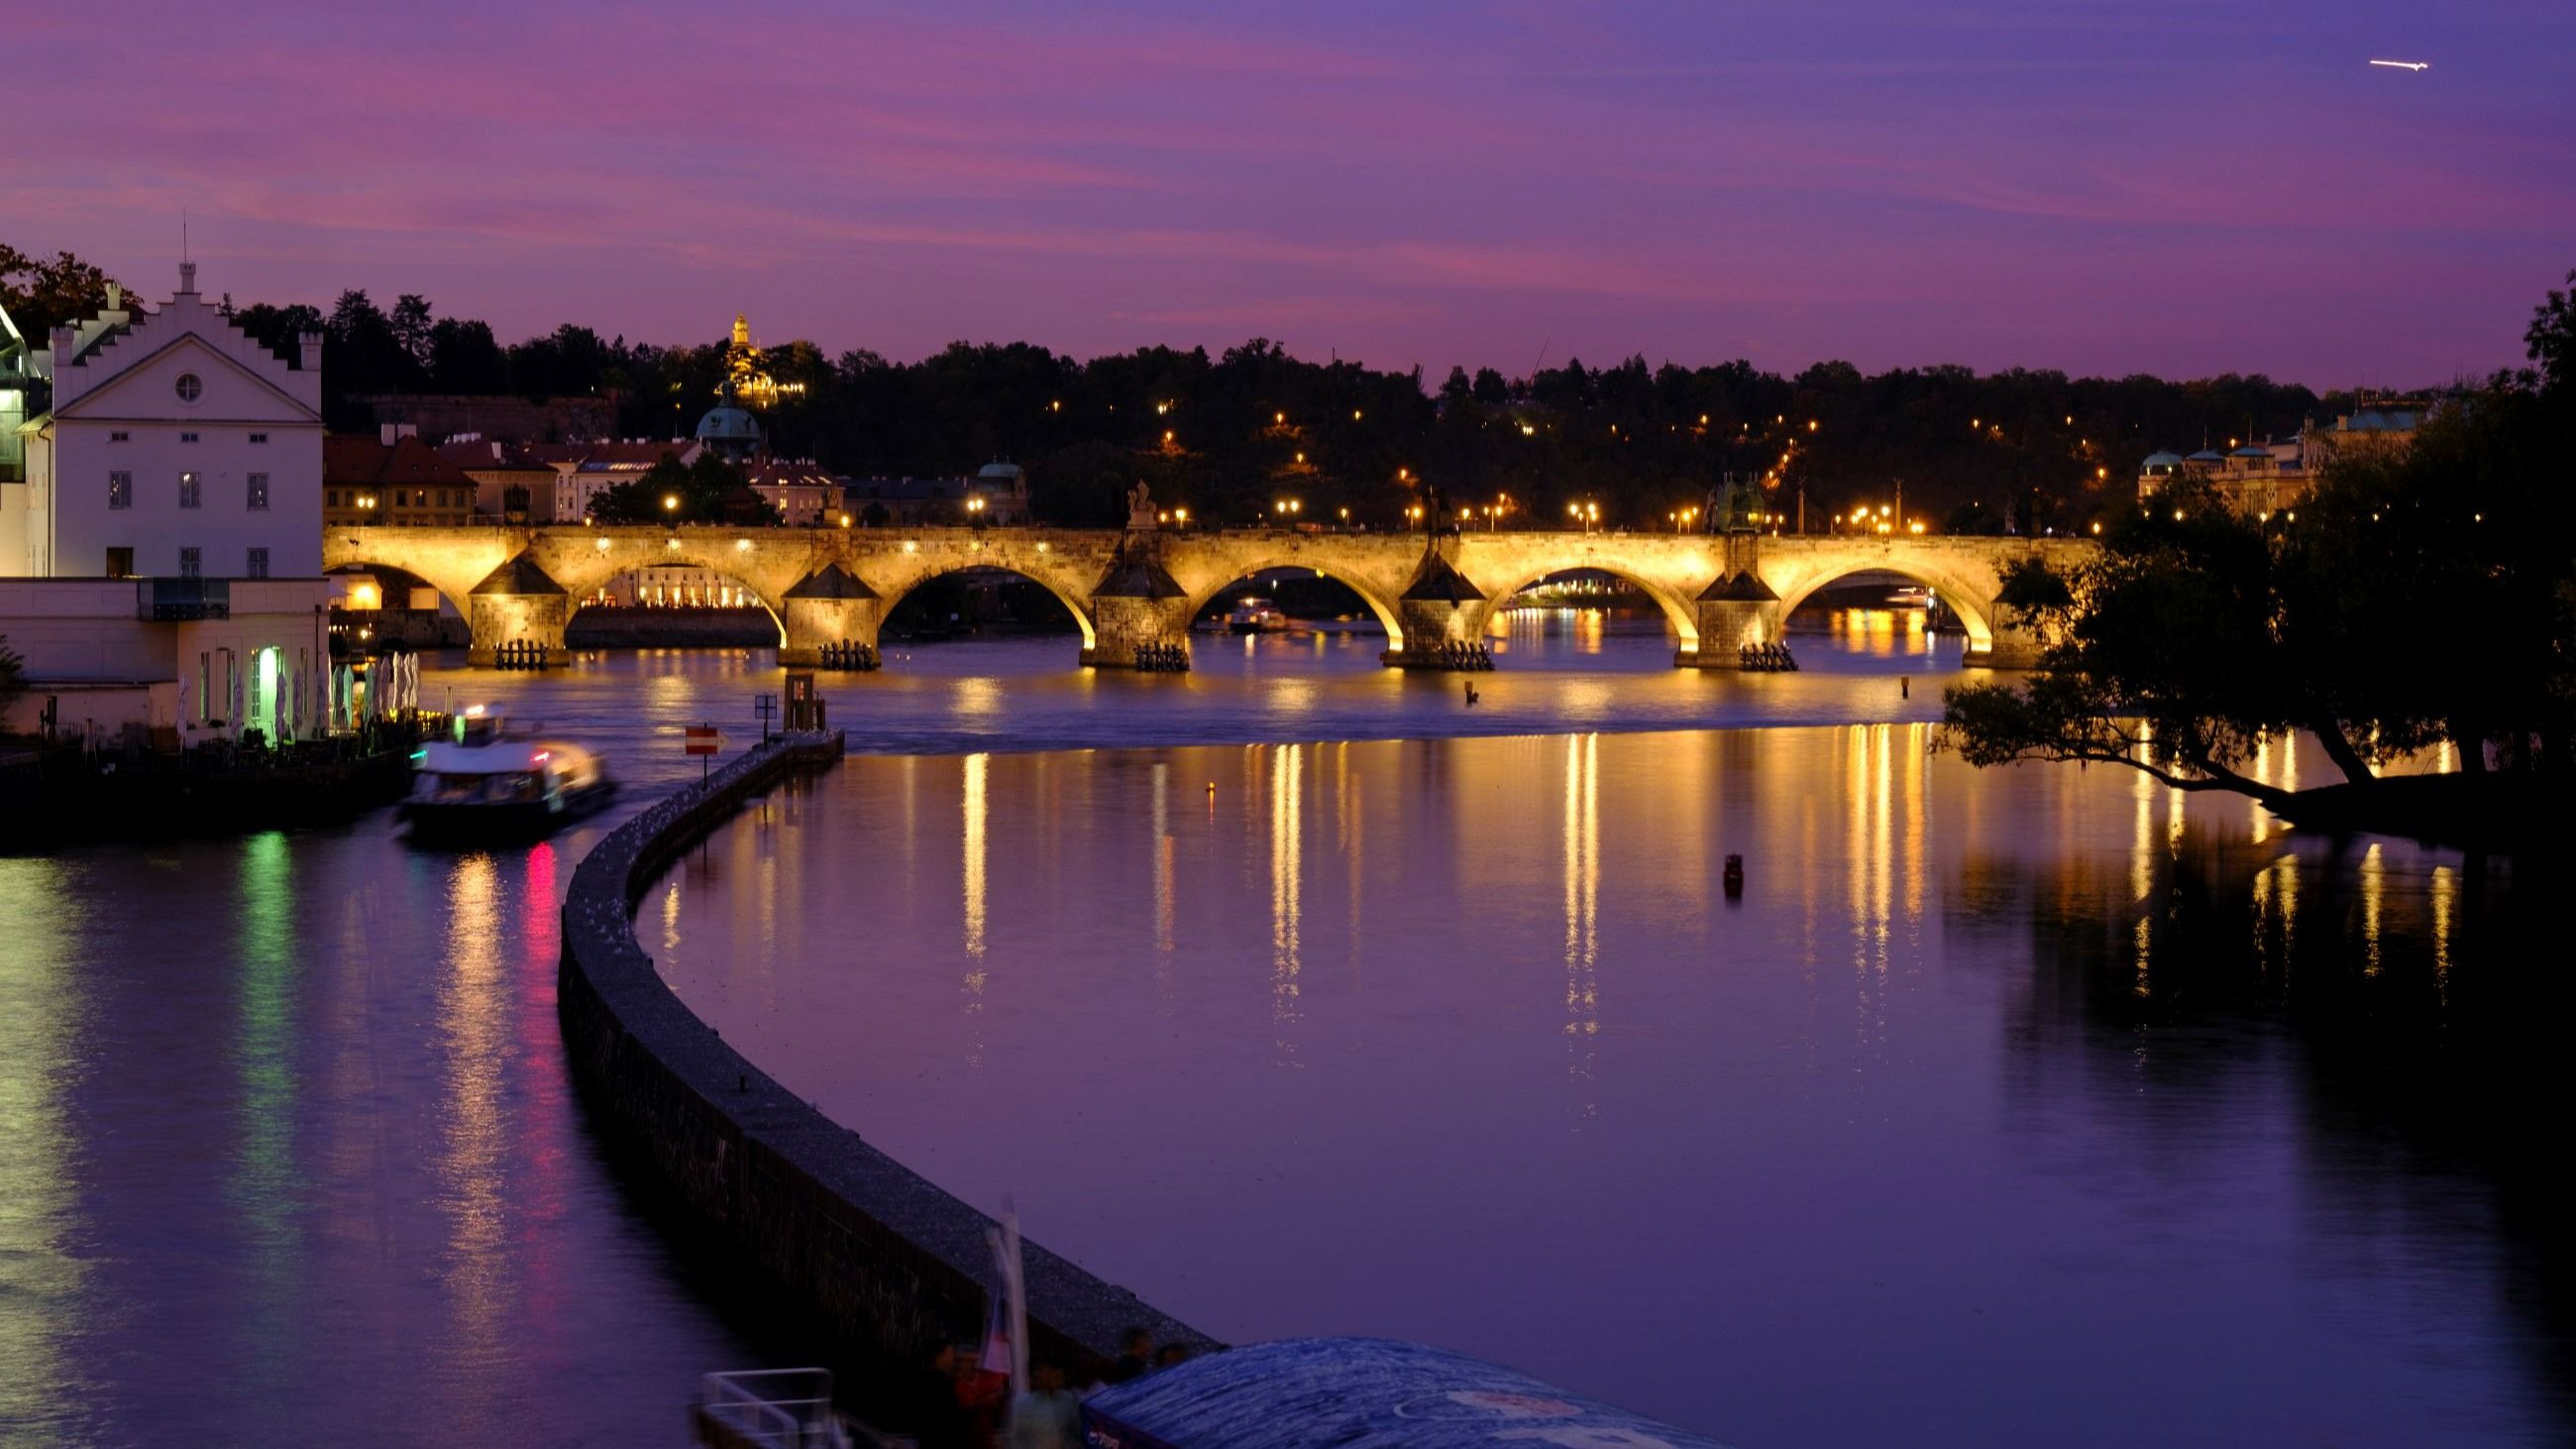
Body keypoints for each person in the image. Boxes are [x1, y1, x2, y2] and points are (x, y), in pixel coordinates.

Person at [1009, 1362, 1081, 1449]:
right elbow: (1017, 1439)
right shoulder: (1024, 1404)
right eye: (1039, 1370)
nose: (1041, 1375)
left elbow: (1075, 1433)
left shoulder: (1068, 1400)